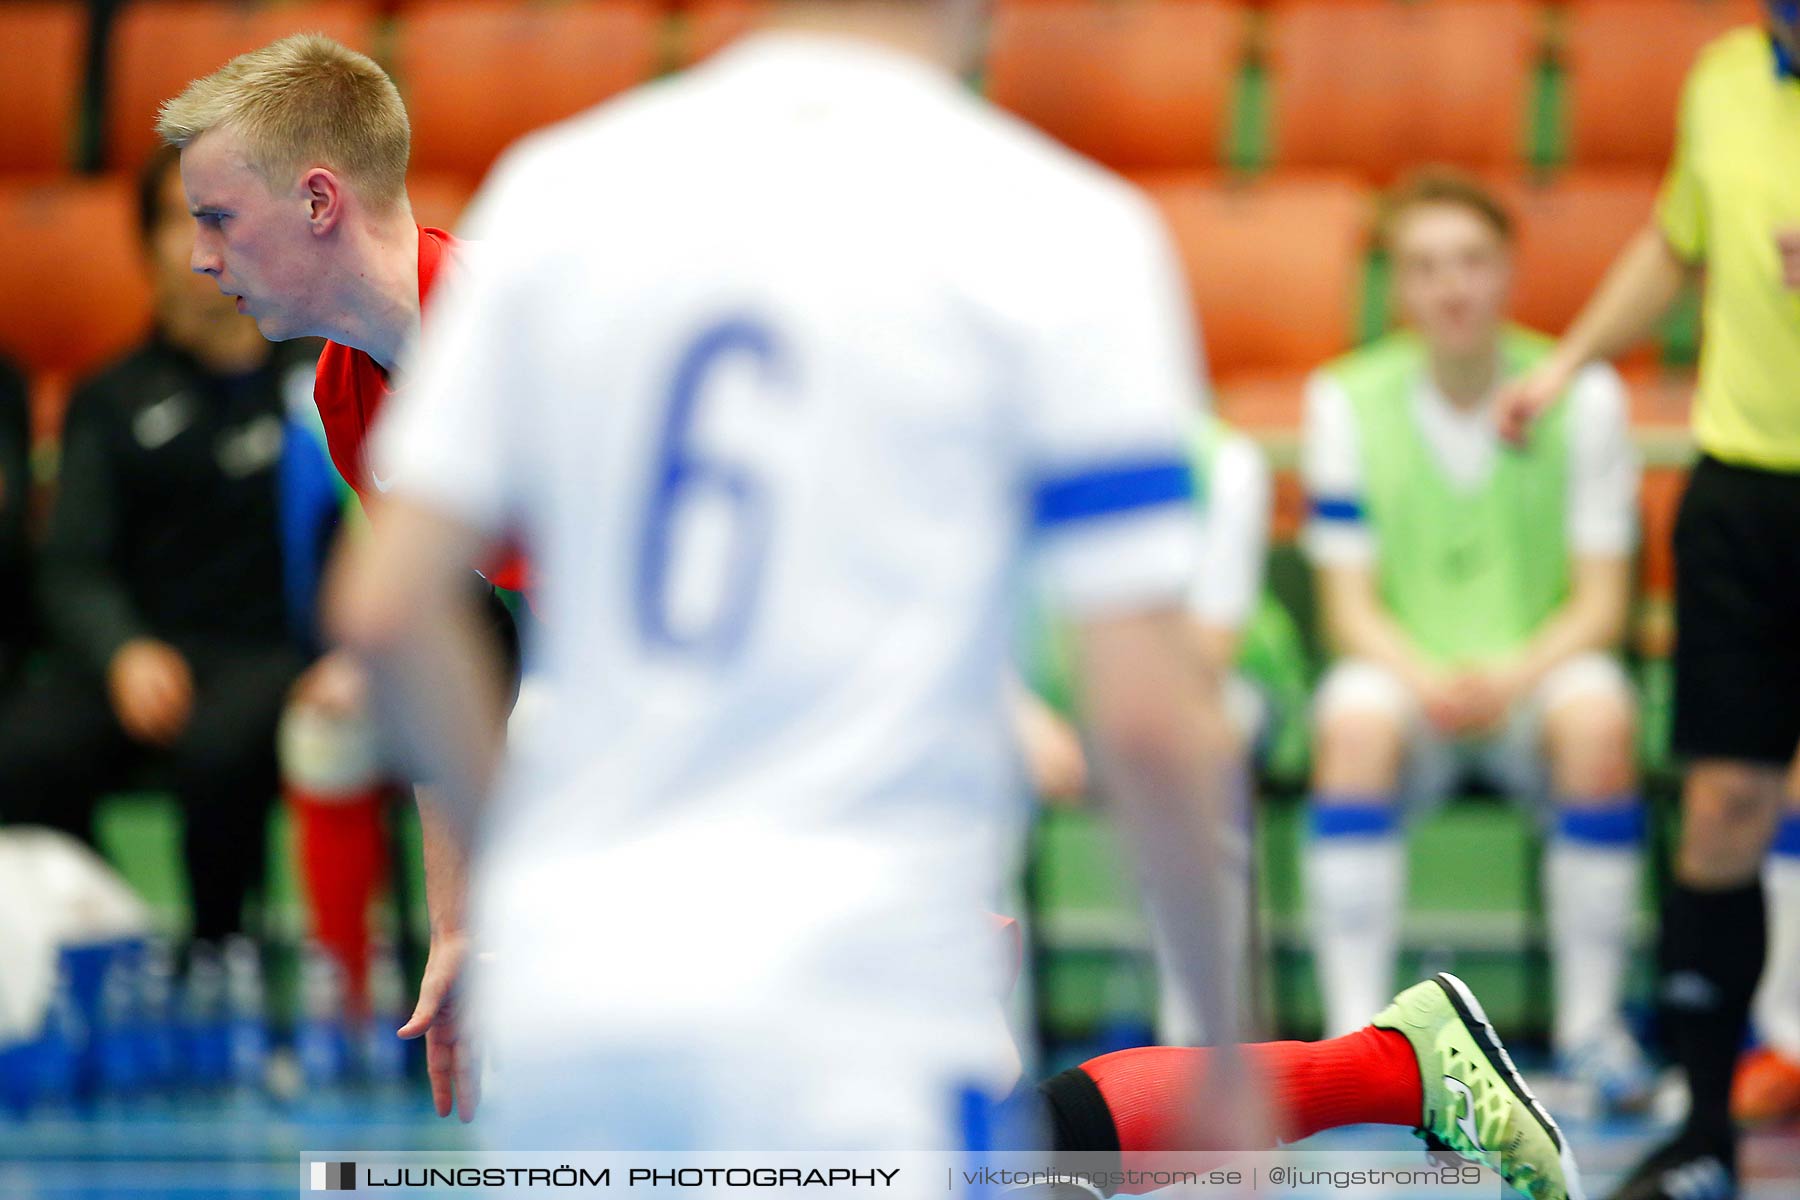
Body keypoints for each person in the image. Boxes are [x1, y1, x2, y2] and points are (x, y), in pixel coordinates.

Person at [323, 3, 1579, 1195]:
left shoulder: (562, 190)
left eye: (221, 216)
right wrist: (1228, 1047)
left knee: (1011, 1161)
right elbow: (1148, 718)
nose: (207, 256)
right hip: (866, 947)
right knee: (1011, 1161)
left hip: (613, 977)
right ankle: (1385, 1066)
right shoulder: (1058, 229)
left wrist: (520, 896)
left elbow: (389, 614)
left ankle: (1389, 1065)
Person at [154, 33, 522, 1023]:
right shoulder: (344, 387)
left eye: (220, 220)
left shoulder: (523, 326)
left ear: (319, 202)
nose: (200, 256)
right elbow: (450, 639)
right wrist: (457, 926)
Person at [1497, 5, 1800, 1195]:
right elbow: (1676, 246)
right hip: (1741, 495)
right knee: (1723, 806)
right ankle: (1704, 1133)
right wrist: (1568, 362)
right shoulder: (1723, 76)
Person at [1302, 171, 1647, 1106]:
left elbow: (1602, 603)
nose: (1449, 287)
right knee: (1351, 727)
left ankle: (1592, 1032)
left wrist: (1508, 677)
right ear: (1396, 286)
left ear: (1507, 272)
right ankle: (1353, 1048)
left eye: (1469, 262)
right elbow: (1348, 608)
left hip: (1535, 670)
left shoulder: (1586, 397)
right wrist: (1424, 675)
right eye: (1423, 267)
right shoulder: (1344, 399)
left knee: (1600, 719)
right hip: (1405, 674)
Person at [0, 144, 330, 947]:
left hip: (273, 655)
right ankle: (106, 943)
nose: (201, 247)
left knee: (219, 751)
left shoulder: (318, 379)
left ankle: (219, 956)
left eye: (221, 219)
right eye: (178, 222)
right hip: (151, 654)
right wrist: (122, 652)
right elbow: (73, 563)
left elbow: (359, 536)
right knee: (25, 749)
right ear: (145, 244)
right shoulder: (109, 400)